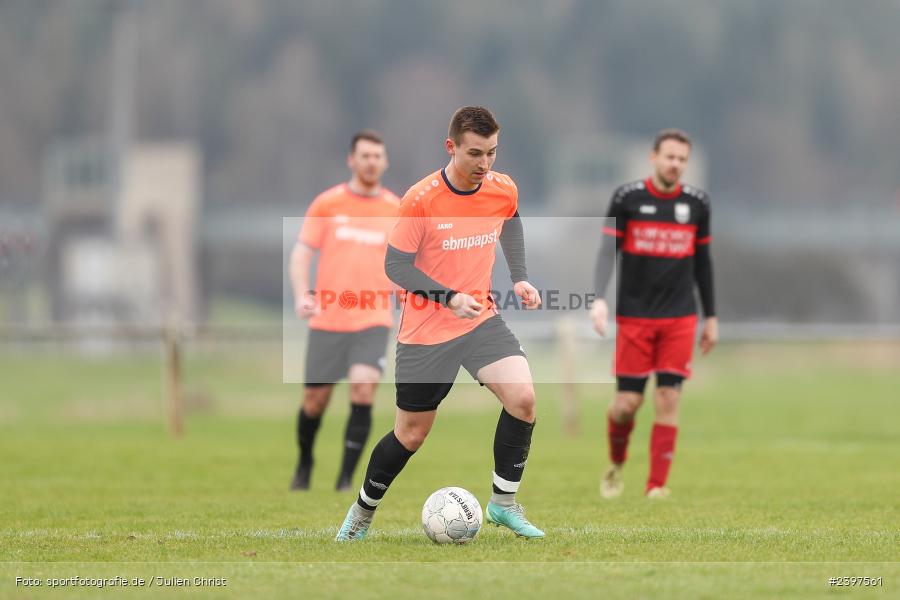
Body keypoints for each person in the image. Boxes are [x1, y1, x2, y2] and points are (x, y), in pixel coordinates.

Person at [335, 106, 545, 541]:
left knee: (523, 399)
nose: (485, 164)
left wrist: (520, 276)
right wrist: (449, 297)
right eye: (475, 154)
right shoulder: (421, 199)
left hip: (481, 321)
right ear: (451, 147)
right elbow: (395, 266)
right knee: (410, 435)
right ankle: (361, 513)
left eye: (492, 153)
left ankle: (503, 505)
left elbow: (510, 221)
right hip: (427, 333)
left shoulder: (501, 187)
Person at [591, 128, 718, 499]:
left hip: (680, 318)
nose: (676, 165)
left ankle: (656, 486)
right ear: (654, 157)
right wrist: (598, 298)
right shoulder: (628, 198)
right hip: (634, 317)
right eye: (670, 157)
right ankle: (616, 462)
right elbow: (606, 250)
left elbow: (703, 262)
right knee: (627, 405)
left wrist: (711, 316)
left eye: (682, 159)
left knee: (668, 398)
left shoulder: (697, 204)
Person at [289, 130, 400, 491]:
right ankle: (305, 463)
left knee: (363, 390)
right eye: (365, 155)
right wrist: (302, 293)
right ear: (351, 160)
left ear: (384, 162)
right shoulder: (327, 204)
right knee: (314, 401)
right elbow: (303, 252)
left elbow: (406, 264)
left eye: (377, 156)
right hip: (328, 320)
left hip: (373, 319)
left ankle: (346, 480)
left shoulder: (396, 210)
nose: (371, 162)